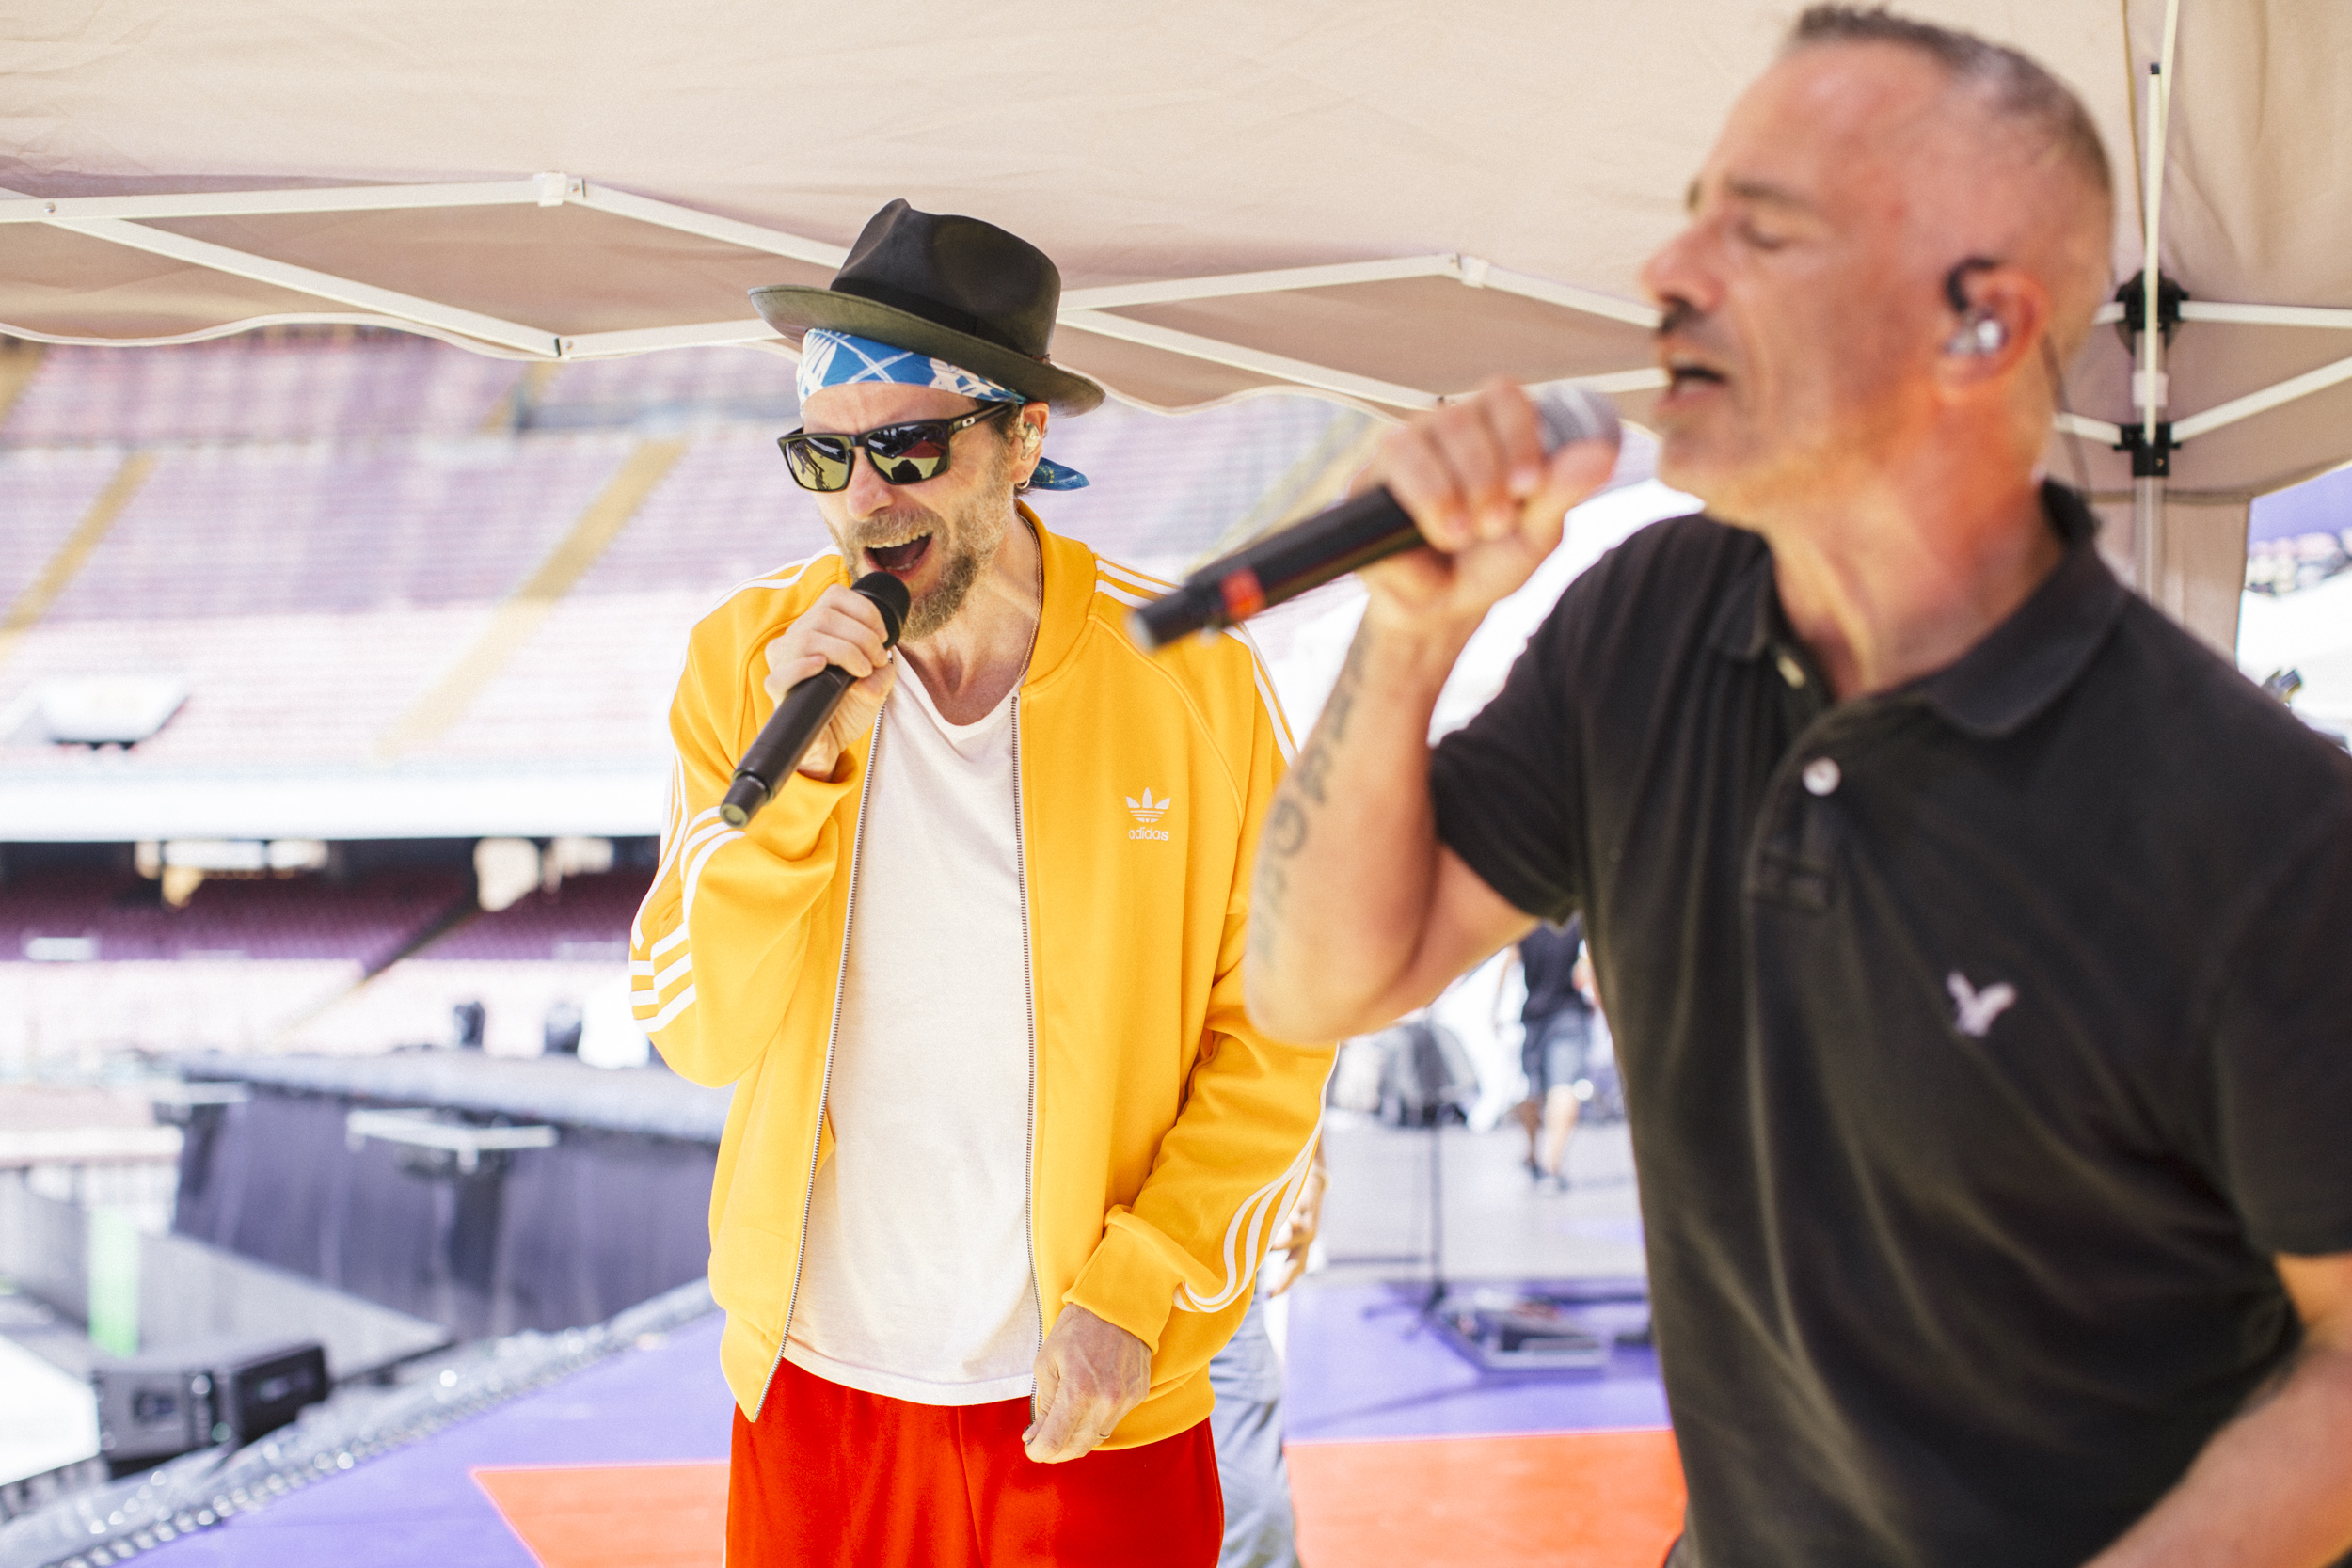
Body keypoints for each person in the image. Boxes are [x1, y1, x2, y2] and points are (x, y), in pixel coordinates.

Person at [1242, 11, 2352, 1568]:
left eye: (1758, 230)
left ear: (1982, 323)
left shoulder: (2254, 829)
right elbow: (1313, 985)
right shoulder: (1648, 619)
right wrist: (1413, 627)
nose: (1664, 272)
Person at [630, 200, 1332, 1568]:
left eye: (909, 445)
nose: (866, 497)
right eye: (829, 453)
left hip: (1094, 1388)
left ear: (1022, 438)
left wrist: (1138, 1294)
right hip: (821, 1391)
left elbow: (1283, 1026)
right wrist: (808, 777)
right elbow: (694, 1026)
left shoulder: (1193, 673)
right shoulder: (746, 662)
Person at [1209, 1141, 1325, 1568]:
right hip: (1062, 1262)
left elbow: (1297, 1072)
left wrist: (1310, 1166)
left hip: (1216, 1254)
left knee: (1252, 1508)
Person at [1506, 918, 1596, 1188]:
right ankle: (1551, 1165)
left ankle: (1534, 1153)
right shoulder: (1577, 923)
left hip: (1533, 1012)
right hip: (1568, 1013)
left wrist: (1495, 1005)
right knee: (1564, 1087)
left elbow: (1509, 960)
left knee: (1532, 1087)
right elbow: (1589, 969)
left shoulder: (1524, 922)